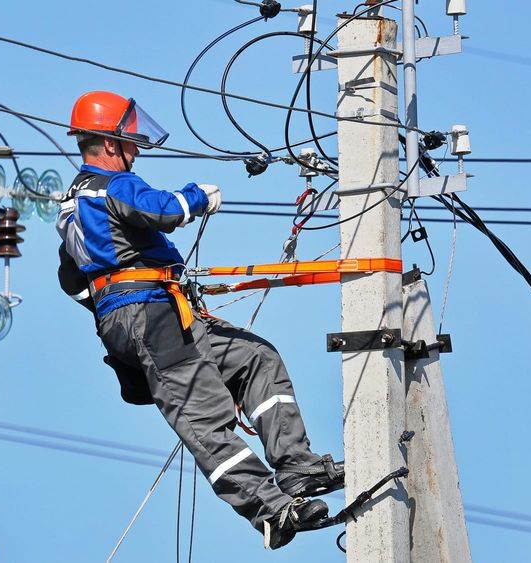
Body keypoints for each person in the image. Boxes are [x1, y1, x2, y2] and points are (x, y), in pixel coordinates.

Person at [55, 91, 344, 549]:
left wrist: (117, 307)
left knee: (254, 358)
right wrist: (197, 197)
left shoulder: (73, 205)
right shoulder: (113, 186)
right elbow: (160, 210)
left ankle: (296, 467)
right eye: (130, 142)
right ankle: (270, 510)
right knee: (205, 415)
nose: (134, 151)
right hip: (151, 317)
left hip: (153, 315)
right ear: (110, 144)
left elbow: (70, 280)